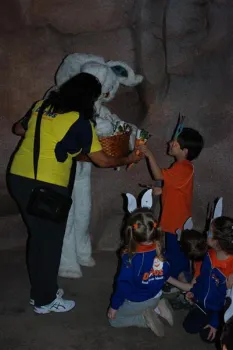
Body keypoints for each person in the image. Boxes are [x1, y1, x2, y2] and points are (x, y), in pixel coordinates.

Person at [8, 72, 143, 314]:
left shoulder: (41, 105)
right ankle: (45, 300)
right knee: (48, 243)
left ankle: (40, 291)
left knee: (39, 238)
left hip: (18, 178)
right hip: (47, 186)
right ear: (89, 98)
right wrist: (129, 157)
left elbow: (18, 128)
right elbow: (101, 160)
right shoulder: (80, 121)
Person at [139, 124, 204, 291]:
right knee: (177, 254)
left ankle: (183, 285)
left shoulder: (182, 167)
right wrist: (161, 190)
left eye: (175, 143)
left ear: (185, 151)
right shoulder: (182, 167)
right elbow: (177, 187)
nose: (170, 143)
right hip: (176, 220)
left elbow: (158, 175)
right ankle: (181, 283)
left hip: (175, 222)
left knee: (175, 255)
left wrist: (148, 153)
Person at [107, 208, 173, 337]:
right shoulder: (161, 251)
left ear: (130, 233)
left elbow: (123, 286)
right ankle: (158, 307)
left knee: (114, 321)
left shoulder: (130, 259)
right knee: (149, 298)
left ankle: (145, 320)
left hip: (138, 301)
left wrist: (114, 306)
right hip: (156, 295)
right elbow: (165, 274)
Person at [167, 216, 233, 343]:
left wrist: (215, 322)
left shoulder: (230, 271)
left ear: (217, 243)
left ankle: (217, 324)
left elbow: (227, 301)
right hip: (203, 303)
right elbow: (202, 279)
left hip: (218, 309)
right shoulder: (208, 255)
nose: (205, 233)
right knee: (189, 327)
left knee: (208, 336)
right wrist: (194, 293)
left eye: (209, 232)